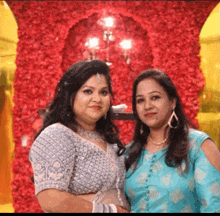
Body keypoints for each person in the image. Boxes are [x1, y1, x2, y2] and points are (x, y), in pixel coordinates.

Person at [29, 60, 130, 213]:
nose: (97, 99)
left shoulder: (108, 138)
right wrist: (109, 211)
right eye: (88, 91)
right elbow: (50, 199)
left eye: (103, 92)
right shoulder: (57, 135)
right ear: (70, 96)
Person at [124, 68, 220, 213]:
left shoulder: (198, 145)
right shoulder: (130, 152)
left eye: (155, 97)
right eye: (140, 100)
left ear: (172, 102)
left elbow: (214, 206)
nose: (147, 105)